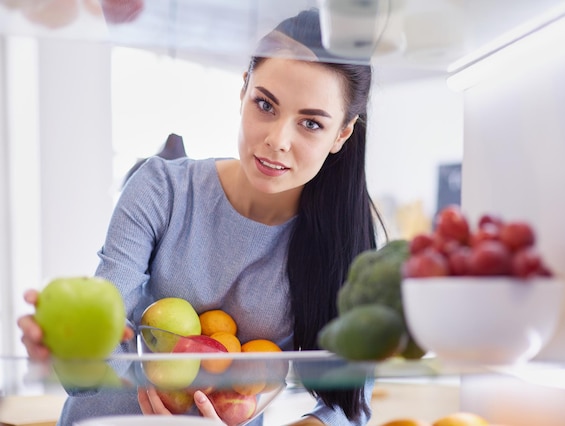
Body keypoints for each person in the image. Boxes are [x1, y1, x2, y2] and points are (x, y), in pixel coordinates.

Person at [18, 7, 384, 426]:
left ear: (342, 133)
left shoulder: (344, 238)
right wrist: (69, 348)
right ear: (243, 89)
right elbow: (104, 344)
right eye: (265, 104)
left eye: (311, 124)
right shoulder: (162, 190)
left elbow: (350, 403)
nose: (277, 140)